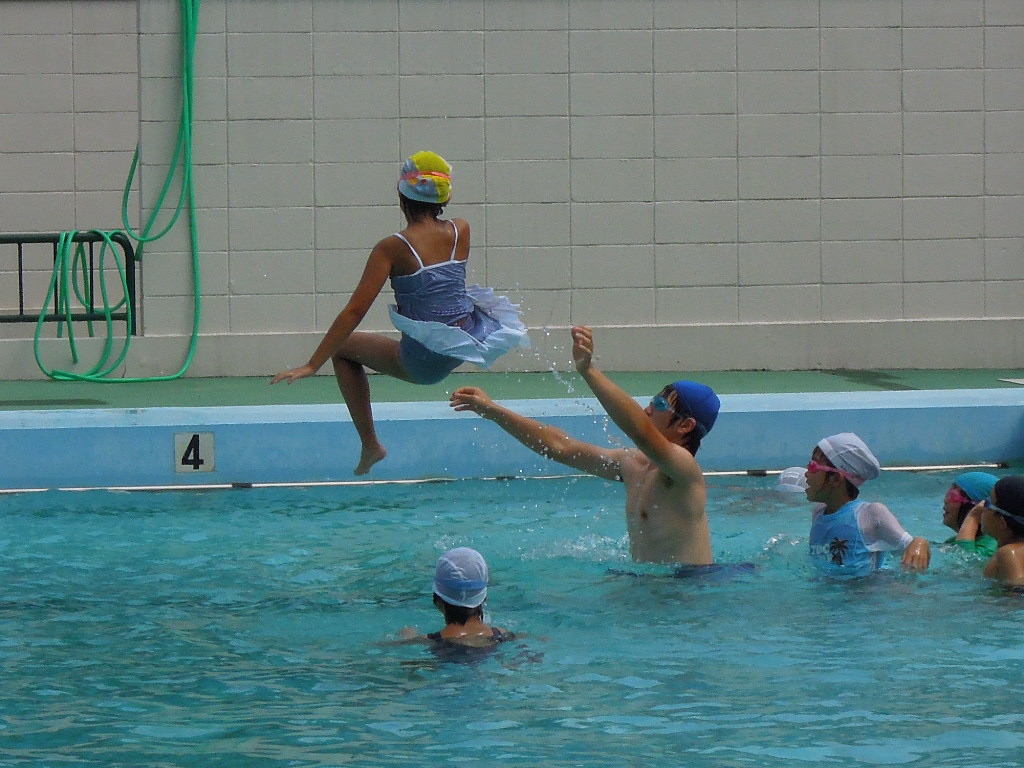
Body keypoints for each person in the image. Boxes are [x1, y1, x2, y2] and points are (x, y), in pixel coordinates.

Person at [271, 151, 528, 475]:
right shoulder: (461, 230)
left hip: (423, 360)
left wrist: (312, 364)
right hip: (466, 342)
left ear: (400, 195)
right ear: (445, 198)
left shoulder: (392, 248)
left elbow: (355, 311)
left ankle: (371, 445)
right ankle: (370, 446)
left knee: (343, 350)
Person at [450, 325, 720, 566]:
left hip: (687, 589)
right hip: (653, 585)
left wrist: (588, 371)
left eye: (659, 405)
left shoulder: (684, 472)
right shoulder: (635, 465)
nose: (647, 410)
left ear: (686, 425)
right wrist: (492, 410)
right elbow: (560, 447)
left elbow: (640, 431)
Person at [803, 432, 930, 575]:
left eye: (812, 466)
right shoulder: (819, 513)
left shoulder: (869, 515)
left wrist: (920, 542)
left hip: (867, 588)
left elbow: (911, 547)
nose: (806, 473)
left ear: (836, 478)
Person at [399, 547, 513, 648]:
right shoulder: (504, 636)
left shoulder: (428, 642)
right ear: (484, 598)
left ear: (438, 602)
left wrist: (408, 637)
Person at [978, 476, 1024, 586]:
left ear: (1002, 521)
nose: (981, 507)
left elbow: (1017, 592)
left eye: (987, 503)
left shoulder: (1010, 552)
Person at [941, 471, 999, 557]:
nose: (946, 500)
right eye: (948, 494)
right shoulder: (952, 541)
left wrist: (973, 517)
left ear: (979, 507)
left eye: (953, 496)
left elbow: (963, 560)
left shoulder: (993, 546)